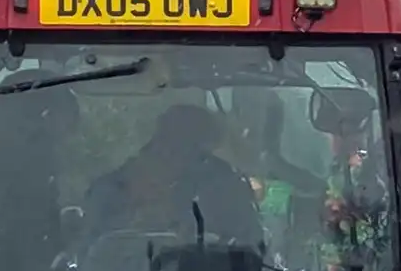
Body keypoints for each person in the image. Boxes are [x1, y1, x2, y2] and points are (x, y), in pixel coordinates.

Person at [79, 103, 263, 251]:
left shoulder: (224, 187)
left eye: (194, 147)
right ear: (157, 136)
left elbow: (255, 254)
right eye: (173, 140)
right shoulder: (111, 190)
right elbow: (88, 255)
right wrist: (135, 223)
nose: (180, 152)